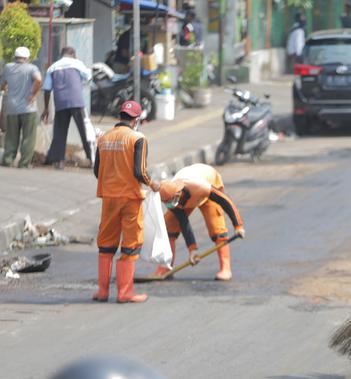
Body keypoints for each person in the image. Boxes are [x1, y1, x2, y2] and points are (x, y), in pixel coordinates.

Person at [92, 101, 161, 304]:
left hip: (109, 198)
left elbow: (98, 171)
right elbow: (139, 171)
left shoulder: (103, 138)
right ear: (136, 120)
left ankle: (102, 291)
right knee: (130, 244)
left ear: (120, 116)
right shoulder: (137, 138)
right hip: (130, 199)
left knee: (106, 244)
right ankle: (124, 293)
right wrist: (153, 184)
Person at [156, 163, 245, 281]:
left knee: (217, 228)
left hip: (209, 187)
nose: (168, 205)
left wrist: (238, 226)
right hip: (189, 199)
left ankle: (225, 268)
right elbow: (183, 222)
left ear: (177, 194)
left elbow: (225, 201)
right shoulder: (169, 197)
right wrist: (192, 250)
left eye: (170, 201)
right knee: (169, 227)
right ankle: (167, 267)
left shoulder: (199, 186)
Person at [41, 46, 93, 169]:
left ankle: (59, 162)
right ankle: (92, 159)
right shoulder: (77, 63)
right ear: (73, 54)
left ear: (61, 54)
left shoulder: (53, 67)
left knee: (60, 132)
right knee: (84, 131)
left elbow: (47, 89)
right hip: (77, 102)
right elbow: (88, 76)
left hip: (60, 102)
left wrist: (46, 108)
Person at [0, 47, 42, 168]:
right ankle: (24, 163)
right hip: (29, 108)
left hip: (12, 108)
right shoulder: (32, 68)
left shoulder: (8, 67)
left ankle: (8, 159)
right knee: (28, 137)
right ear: (27, 58)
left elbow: (2, 85)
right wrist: (33, 94)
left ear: (15, 57)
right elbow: (38, 80)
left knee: (11, 136)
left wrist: (6, 87)